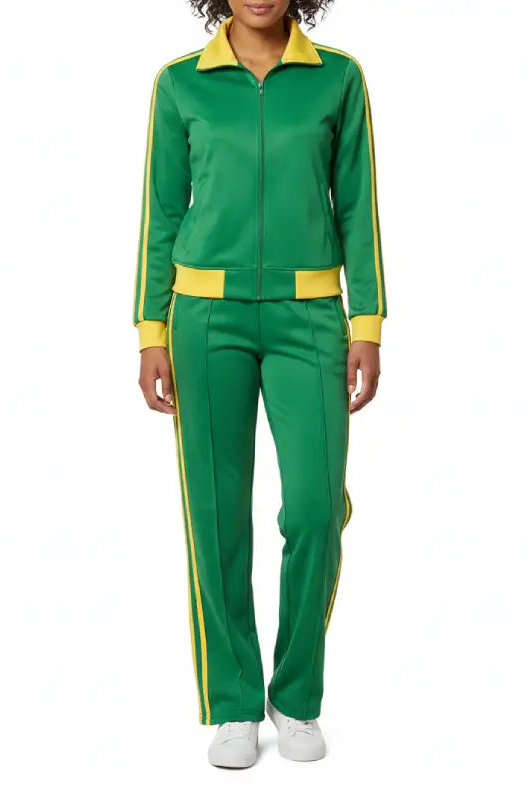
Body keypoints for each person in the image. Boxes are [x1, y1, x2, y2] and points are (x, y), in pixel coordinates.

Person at [132, 0, 387, 768]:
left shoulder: (338, 78)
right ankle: (235, 701)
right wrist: (151, 331)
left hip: (310, 318)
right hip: (204, 320)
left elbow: (358, 209)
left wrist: (367, 322)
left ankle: (296, 694)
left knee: (314, 507)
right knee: (215, 516)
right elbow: (160, 215)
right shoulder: (180, 84)